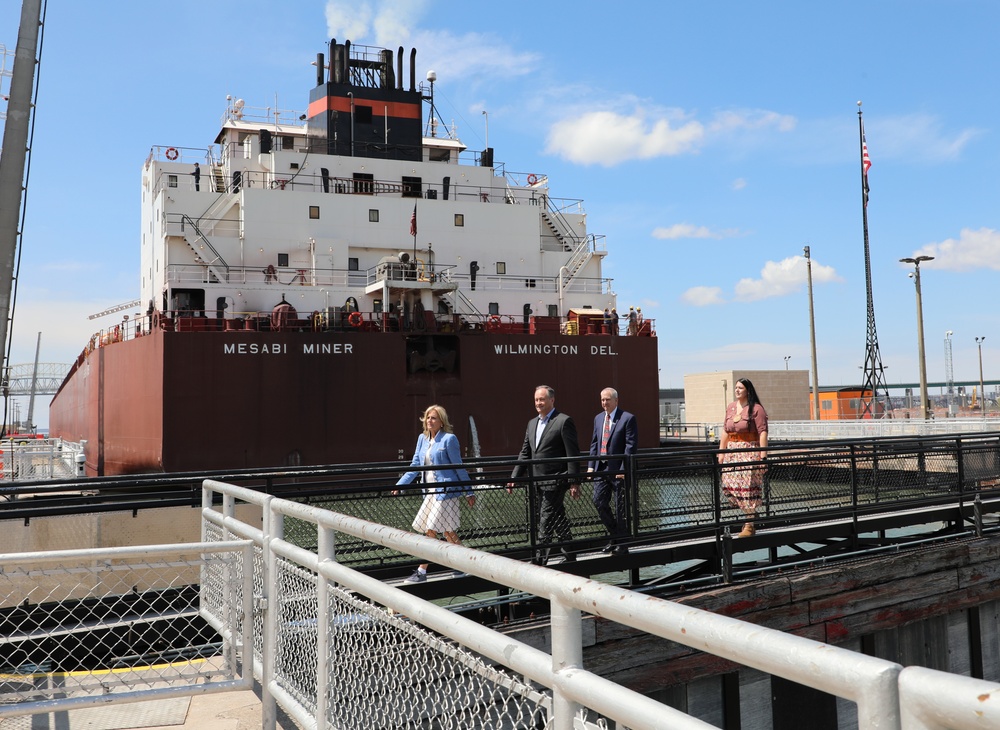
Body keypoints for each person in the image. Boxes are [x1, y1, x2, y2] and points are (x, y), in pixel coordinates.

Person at [394, 404, 476, 582]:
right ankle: (467, 564)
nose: (430, 421)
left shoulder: (449, 439)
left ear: (442, 422)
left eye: (434, 418)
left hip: (446, 491)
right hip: (430, 493)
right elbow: (415, 465)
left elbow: (458, 467)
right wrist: (401, 484)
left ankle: (421, 572)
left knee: (431, 530)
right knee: (448, 532)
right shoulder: (422, 439)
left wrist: (469, 491)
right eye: (428, 418)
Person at [508, 385, 581, 565]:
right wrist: (514, 478)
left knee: (545, 518)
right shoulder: (532, 423)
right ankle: (570, 554)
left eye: (542, 399)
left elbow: (572, 453)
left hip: (556, 479)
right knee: (558, 517)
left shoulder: (563, 421)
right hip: (537, 481)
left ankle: (539, 561)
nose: (538, 403)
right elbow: (525, 452)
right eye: (536, 400)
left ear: (552, 400)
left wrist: (574, 482)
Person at [587, 388, 637, 555]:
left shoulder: (627, 418)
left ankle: (622, 545)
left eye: (607, 400)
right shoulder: (598, 418)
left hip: (618, 470)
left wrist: (624, 469)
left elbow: (630, 447)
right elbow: (595, 443)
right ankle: (616, 536)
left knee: (620, 508)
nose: (604, 403)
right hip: (601, 468)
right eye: (602, 400)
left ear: (616, 400)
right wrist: (590, 466)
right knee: (598, 502)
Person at [717, 378, 768, 537]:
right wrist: (721, 452)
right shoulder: (731, 407)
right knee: (729, 485)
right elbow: (726, 430)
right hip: (732, 452)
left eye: (740, 388)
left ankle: (749, 525)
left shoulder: (756, 409)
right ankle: (751, 514)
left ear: (748, 390)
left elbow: (763, 432)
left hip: (749, 451)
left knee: (746, 488)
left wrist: (763, 456)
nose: (737, 390)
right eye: (736, 387)